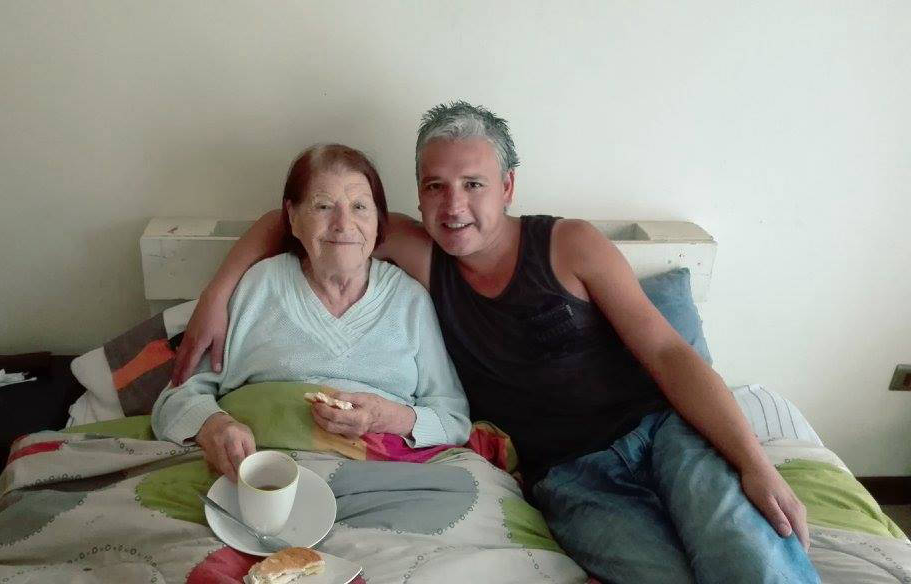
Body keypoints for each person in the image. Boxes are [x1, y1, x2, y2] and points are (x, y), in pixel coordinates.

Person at [170, 103, 819, 583]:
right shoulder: (419, 256)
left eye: (474, 184)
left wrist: (754, 464)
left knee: (750, 555)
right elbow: (301, 214)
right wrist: (218, 293)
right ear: (418, 194)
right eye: (435, 186)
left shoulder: (568, 245)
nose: (454, 205)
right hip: (567, 477)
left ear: (508, 186)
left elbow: (672, 354)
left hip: (661, 433)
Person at [152, 144, 471, 482]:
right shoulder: (258, 285)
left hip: (383, 481)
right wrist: (215, 427)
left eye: (360, 207)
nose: (343, 224)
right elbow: (177, 399)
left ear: (378, 221)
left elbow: (453, 418)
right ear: (293, 218)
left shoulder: (409, 300)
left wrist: (385, 417)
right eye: (323, 206)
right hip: (263, 476)